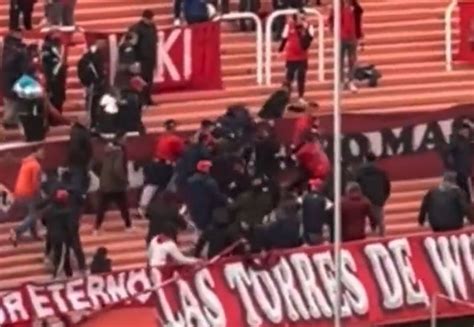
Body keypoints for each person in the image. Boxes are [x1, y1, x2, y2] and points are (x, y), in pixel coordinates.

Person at [9, 147, 44, 246]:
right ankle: (16, 231)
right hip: (28, 193)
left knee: (31, 213)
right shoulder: (36, 165)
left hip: (19, 192)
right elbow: (35, 183)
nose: (44, 154)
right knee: (34, 214)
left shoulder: (26, 163)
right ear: (35, 152)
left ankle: (34, 234)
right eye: (42, 151)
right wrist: (39, 195)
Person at [94, 142, 132, 233]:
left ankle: (96, 227)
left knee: (102, 207)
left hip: (105, 184)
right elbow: (117, 169)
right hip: (116, 185)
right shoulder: (119, 154)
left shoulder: (106, 154)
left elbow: (97, 166)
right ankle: (128, 226)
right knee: (123, 206)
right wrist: (124, 180)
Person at [278, 10, 314, 106]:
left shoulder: (309, 27)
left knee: (301, 77)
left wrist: (305, 30)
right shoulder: (289, 26)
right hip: (291, 57)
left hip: (302, 57)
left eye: (303, 17)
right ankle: (285, 97)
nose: (301, 19)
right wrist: (280, 51)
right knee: (289, 77)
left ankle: (301, 97)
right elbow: (284, 39)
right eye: (299, 17)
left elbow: (307, 43)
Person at [329, 0, 364, 93]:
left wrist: (360, 38)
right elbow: (331, 19)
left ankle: (350, 80)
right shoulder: (337, 6)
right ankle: (340, 81)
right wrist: (334, 32)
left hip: (352, 37)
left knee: (352, 60)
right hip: (340, 38)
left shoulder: (355, 7)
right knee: (339, 60)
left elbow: (358, 22)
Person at [354, 152, 391, 236]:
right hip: (378, 200)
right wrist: (383, 199)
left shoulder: (359, 172)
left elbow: (356, 186)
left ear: (365, 159)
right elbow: (387, 187)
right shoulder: (381, 172)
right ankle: (382, 238)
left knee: (361, 221)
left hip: (363, 199)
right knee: (380, 221)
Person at [185, 160, 228, 230]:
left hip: (194, 210)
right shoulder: (209, 181)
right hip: (208, 211)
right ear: (204, 168)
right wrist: (226, 199)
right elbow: (217, 196)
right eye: (208, 167)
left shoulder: (189, 182)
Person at [1, 30, 27, 129]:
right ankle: (8, 121)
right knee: (12, 103)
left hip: (9, 79)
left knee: (11, 102)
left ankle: (11, 121)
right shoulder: (16, 52)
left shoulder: (7, 50)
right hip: (12, 79)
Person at [77, 40, 106, 129]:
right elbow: (83, 69)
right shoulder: (88, 58)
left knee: (98, 105)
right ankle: (92, 124)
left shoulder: (99, 55)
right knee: (92, 105)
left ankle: (97, 123)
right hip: (92, 84)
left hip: (99, 84)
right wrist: (87, 82)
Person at [130, 10, 157, 105]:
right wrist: (134, 60)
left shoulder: (153, 27)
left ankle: (148, 99)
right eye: (151, 19)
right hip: (141, 59)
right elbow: (132, 44)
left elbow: (154, 42)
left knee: (149, 80)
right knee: (141, 80)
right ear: (145, 18)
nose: (152, 21)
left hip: (151, 58)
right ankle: (140, 100)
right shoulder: (136, 29)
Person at [443, 123, 473, 202]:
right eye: (465, 131)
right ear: (461, 131)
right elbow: (446, 151)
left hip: (465, 172)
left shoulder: (467, 142)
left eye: (468, 131)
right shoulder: (456, 141)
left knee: (465, 194)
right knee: (461, 193)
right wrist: (450, 165)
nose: (467, 133)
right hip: (459, 172)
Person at [41, 32, 66, 113]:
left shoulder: (59, 46)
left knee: (59, 94)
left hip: (59, 75)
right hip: (51, 73)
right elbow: (45, 59)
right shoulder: (46, 46)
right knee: (53, 94)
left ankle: (58, 112)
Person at [67, 116, 93, 195]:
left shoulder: (78, 131)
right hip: (78, 163)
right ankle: (75, 203)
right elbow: (75, 149)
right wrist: (85, 159)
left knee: (79, 185)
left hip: (78, 163)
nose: (89, 123)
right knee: (77, 186)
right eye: (88, 121)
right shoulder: (79, 132)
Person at [302, 179, 330, 245]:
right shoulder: (323, 199)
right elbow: (331, 208)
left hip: (307, 231)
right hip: (319, 231)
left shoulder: (305, 198)